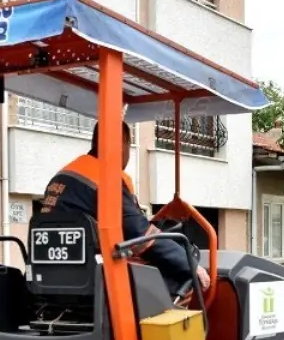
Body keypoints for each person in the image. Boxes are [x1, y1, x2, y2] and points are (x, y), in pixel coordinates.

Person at [39, 121, 210, 298]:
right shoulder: (105, 179)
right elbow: (141, 236)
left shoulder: (63, 176)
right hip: (94, 278)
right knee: (170, 278)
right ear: (122, 144)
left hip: (54, 273)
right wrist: (188, 263)